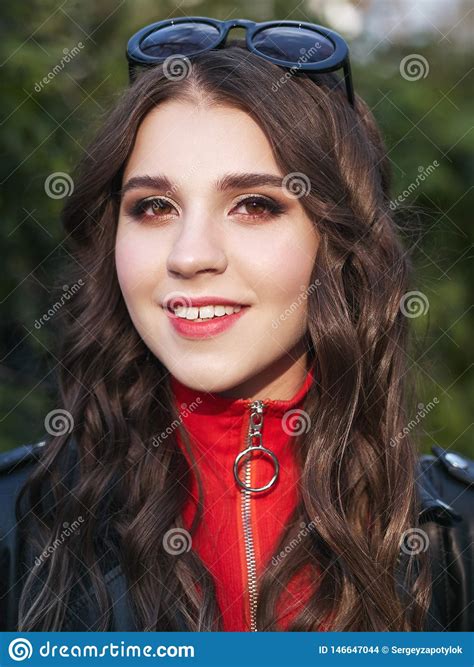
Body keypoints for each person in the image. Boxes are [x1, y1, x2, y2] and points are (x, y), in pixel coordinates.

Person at [1, 17, 472, 633]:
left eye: (254, 205)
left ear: (338, 239)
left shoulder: (452, 533)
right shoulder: (18, 523)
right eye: (153, 207)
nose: (190, 254)